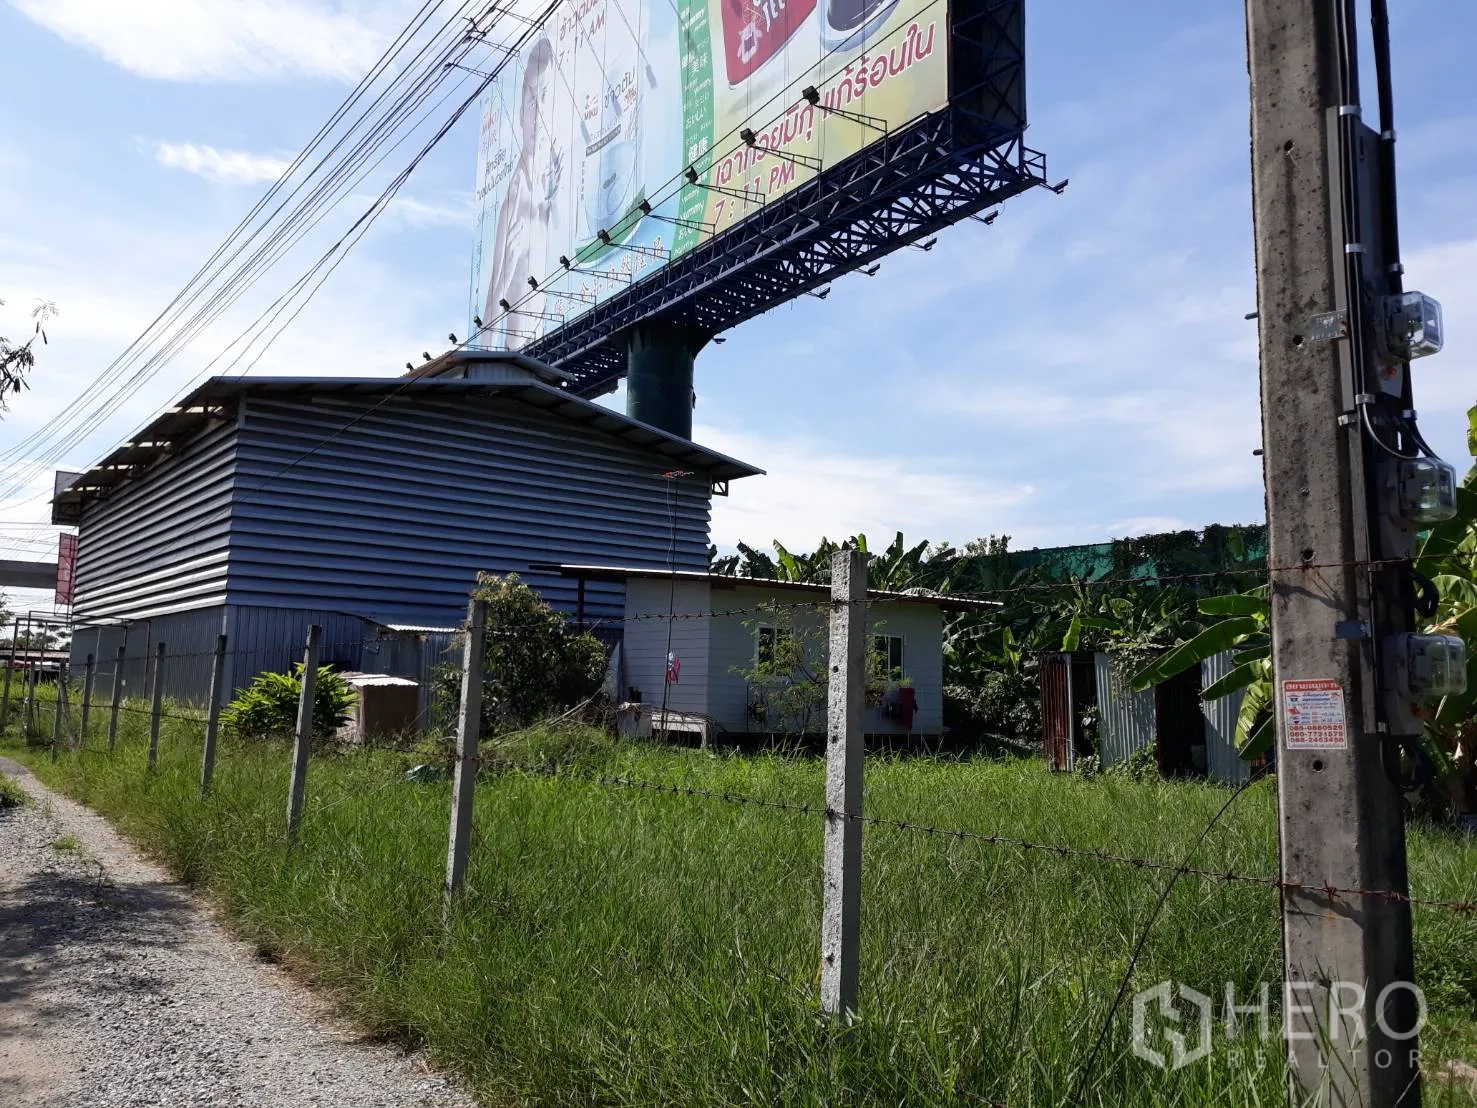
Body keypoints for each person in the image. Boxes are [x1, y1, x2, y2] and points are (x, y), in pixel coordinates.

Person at [484, 38, 564, 348]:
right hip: (517, 362)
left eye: (546, 97)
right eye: (533, 101)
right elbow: (491, 307)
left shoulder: (553, 174)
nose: (540, 113)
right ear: (520, 113)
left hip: (546, 348)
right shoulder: (515, 197)